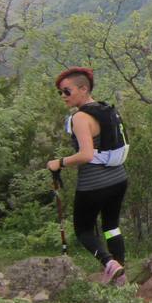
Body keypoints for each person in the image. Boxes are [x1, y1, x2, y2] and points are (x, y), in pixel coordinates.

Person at [47, 67, 130, 285]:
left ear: (83, 89)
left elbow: (86, 154)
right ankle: (120, 275)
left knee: (83, 230)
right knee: (111, 227)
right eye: (60, 93)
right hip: (118, 178)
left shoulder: (81, 117)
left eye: (67, 91)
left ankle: (109, 263)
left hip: (94, 183)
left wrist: (59, 163)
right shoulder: (104, 109)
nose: (63, 97)